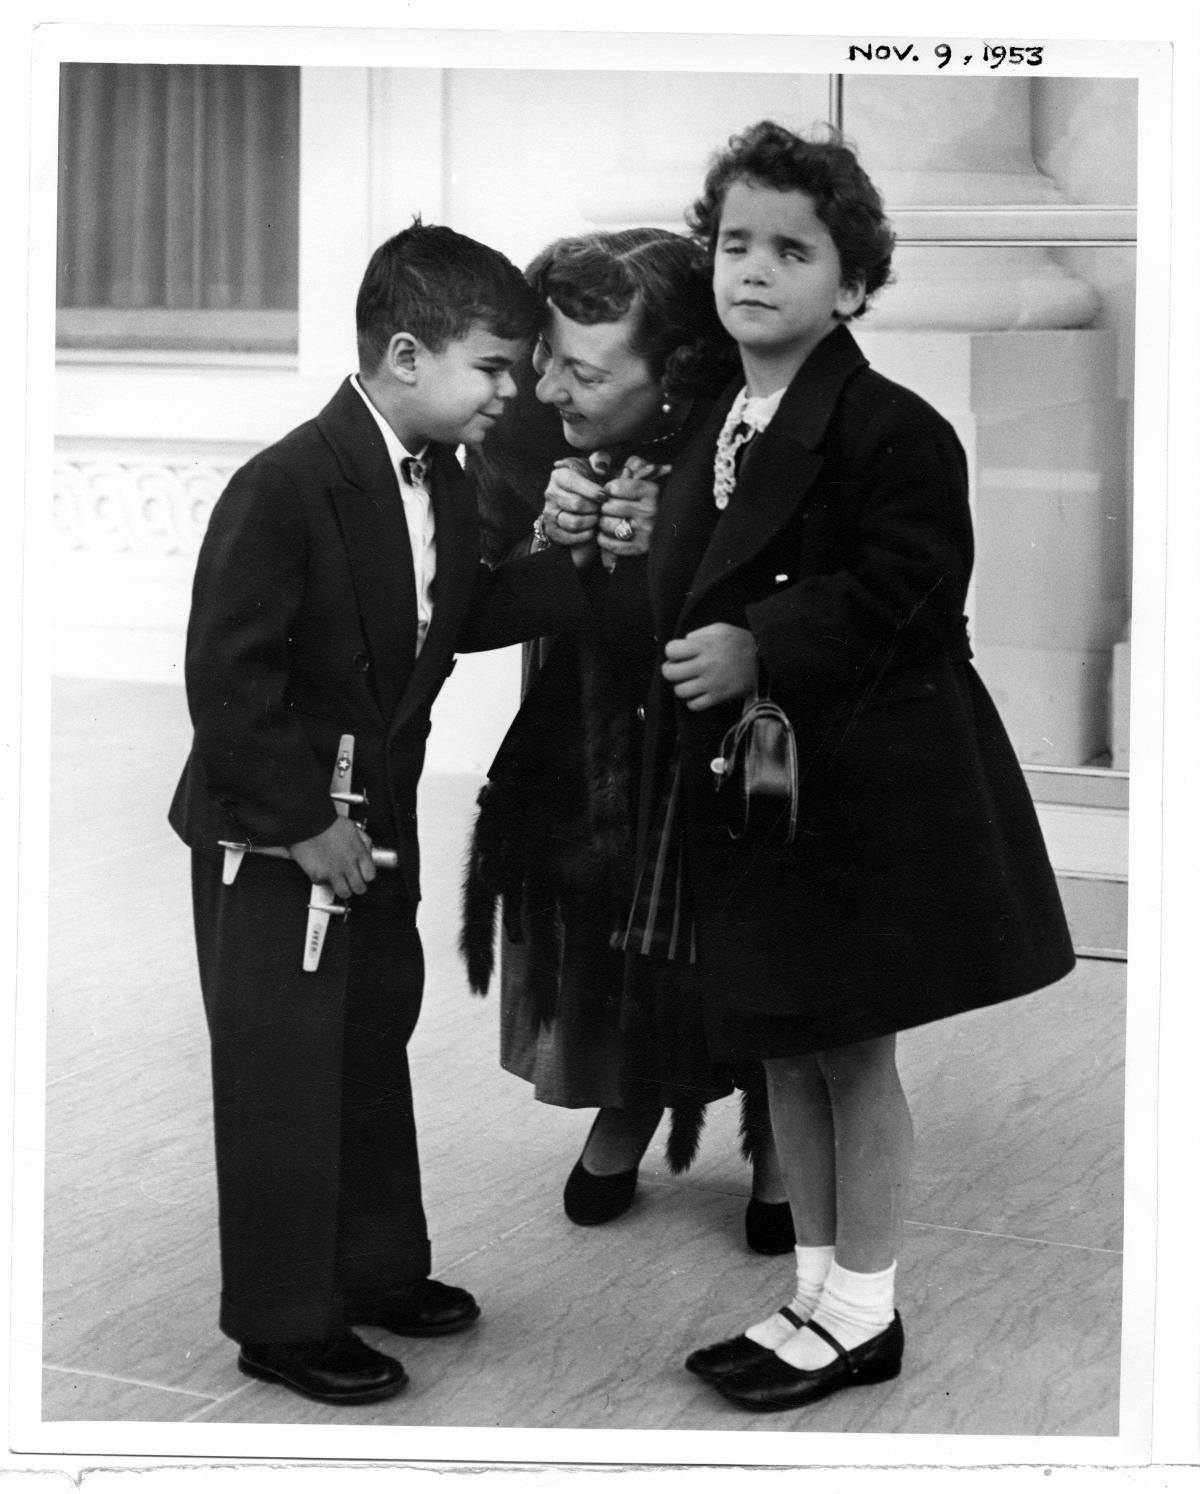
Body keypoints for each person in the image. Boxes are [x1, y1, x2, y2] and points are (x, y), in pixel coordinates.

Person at [613, 122, 1077, 1413]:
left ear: (855, 283)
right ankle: (813, 1294)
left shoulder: (891, 426)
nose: (752, 268)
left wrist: (759, 644)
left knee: (852, 1049)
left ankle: (864, 1309)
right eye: (735, 242)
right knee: (788, 1046)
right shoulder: (721, 416)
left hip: (863, 783)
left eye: (792, 249)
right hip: (764, 795)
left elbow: (914, 588)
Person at [168, 221, 596, 1408]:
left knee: (366, 1049)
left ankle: (372, 1270)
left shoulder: (440, 481)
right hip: (278, 841)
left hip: (376, 829)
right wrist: (307, 825)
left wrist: (582, 560)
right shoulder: (286, 484)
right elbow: (228, 686)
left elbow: (452, 611)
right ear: (407, 355)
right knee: (281, 1073)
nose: (513, 395)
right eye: (494, 368)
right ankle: (281, 1320)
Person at [460, 229, 795, 1253]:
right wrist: (546, 540)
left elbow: (816, 592)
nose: (545, 385)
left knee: (755, 920)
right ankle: (628, 1096)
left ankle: (782, 1127)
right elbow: (463, 606)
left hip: (738, 745)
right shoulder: (520, 427)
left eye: (584, 370)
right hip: (594, 733)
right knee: (605, 911)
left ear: (678, 374)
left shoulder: (760, 427)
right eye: (543, 357)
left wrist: (680, 538)